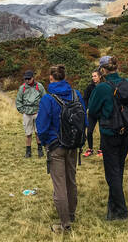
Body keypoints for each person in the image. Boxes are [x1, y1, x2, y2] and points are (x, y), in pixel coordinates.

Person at [36, 65, 88, 233]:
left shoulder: (48, 99)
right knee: (71, 181)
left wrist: (45, 142)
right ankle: (71, 214)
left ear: (51, 78)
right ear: (65, 77)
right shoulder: (76, 94)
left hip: (55, 146)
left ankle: (65, 224)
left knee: (59, 185)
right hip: (74, 145)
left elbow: (42, 127)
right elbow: (84, 120)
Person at [88, 55, 128, 220]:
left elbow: (92, 109)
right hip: (125, 132)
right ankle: (112, 208)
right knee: (118, 170)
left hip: (109, 133)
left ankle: (121, 211)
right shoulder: (126, 83)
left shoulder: (102, 88)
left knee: (111, 173)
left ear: (102, 70)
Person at [16, 70, 46, 158]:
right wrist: (23, 110)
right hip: (27, 113)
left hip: (37, 112)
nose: (27, 80)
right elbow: (18, 101)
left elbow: (44, 98)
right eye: (26, 79)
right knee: (28, 133)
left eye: (29, 78)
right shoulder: (22, 88)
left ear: (33, 78)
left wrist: (41, 110)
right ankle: (28, 152)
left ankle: (40, 151)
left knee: (38, 132)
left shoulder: (39, 86)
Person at [83, 68, 102, 157]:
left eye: (95, 76)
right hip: (92, 113)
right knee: (89, 131)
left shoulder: (103, 86)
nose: (93, 78)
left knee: (103, 131)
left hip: (102, 112)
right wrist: (86, 108)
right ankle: (90, 149)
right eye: (92, 76)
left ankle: (101, 150)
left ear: (100, 77)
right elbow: (85, 98)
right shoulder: (90, 87)